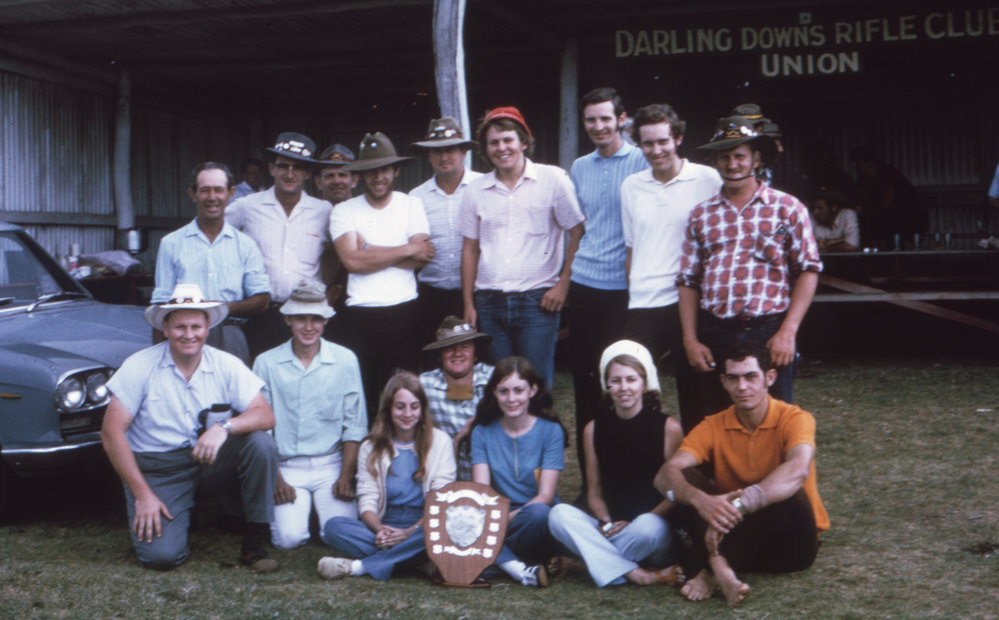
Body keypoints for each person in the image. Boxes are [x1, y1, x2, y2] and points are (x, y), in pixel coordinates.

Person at [100, 283, 279, 572]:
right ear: (166, 328)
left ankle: (255, 538)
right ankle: (179, 511)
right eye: (180, 326)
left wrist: (224, 426)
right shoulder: (138, 365)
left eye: (196, 326)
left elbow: (265, 414)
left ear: (208, 327)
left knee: (261, 443)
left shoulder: (225, 363)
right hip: (160, 470)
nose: (189, 334)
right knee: (161, 557)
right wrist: (143, 495)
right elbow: (111, 434)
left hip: (209, 461)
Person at [677, 116, 822, 431]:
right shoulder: (701, 215)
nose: (732, 163)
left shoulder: (787, 208)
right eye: (724, 156)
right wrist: (690, 339)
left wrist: (788, 331)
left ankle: (775, 481)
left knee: (775, 421)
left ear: (757, 159)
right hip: (714, 332)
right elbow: (688, 281)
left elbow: (808, 270)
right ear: (715, 161)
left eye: (739, 155)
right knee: (717, 423)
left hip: (767, 332)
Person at [656, 343, 828, 607]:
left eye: (750, 377)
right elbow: (664, 475)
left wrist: (740, 505)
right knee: (687, 478)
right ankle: (721, 568)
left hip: (791, 547)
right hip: (736, 535)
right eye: (733, 378)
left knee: (790, 491)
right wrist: (700, 500)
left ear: (769, 378)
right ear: (723, 382)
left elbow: (798, 469)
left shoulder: (795, 418)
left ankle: (712, 568)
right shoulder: (713, 425)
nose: (742, 387)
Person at [459, 107, 586, 389]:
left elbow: (578, 233)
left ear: (524, 142)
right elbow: (470, 249)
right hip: (489, 303)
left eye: (508, 140)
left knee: (536, 385)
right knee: (500, 387)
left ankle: (542, 434)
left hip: (537, 302)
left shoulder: (552, 179)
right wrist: (469, 303)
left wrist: (563, 286)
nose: (501, 148)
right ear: (485, 149)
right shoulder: (475, 190)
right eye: (493, 142)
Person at [547, 340, 684, 588]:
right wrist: (607, 523)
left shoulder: (668, 427)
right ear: (606, 385)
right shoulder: (593, 429)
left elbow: (676, 495)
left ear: (644, 383)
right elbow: (594, 492)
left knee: (648, 528)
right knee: (558, 514)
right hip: (609, 529)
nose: (624, 388)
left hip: (650, 530)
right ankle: (638, 575)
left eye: (631, 379)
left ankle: (584, 563)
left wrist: (635, 523)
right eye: (616, 381)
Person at [620, 103, 722, 433]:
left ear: (677, 138)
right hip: (644, 302)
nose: (656, 150)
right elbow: (632, 248)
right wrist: (631, 293)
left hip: (689, 300)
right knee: (635, 390)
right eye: (647, 143)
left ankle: (697, 468)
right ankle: (645, 461)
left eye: (662, 141)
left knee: (696, 390)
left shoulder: (708, 179)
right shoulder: (631, 187)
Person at [567, 88, 648, 483]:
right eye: (590, 120)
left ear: (622, 118)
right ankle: (591, 484)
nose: (598, 127)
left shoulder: (642, 160)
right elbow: (579, 228)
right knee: (587, 389)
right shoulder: (579, 167)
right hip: (585, 286)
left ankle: (632, 480)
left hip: (627, 291)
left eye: (605, 118)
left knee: (626, 385)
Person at [252, 280, 367, 550]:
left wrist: (345, 475)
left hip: (330, 464)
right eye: (301, 318)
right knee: (288, 539)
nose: (308, 326)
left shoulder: (345, 359)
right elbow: (261, 428)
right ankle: (301, 517)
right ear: (287, 319)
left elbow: (355, 423)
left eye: (316, 318)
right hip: (287, 465)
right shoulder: (266, 362)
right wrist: (275, 479)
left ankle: (323, 516)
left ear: (326, 321)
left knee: (338, 536)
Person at [329, 131, 432, 421]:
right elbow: (352, 262)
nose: (378, 177)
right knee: (363, 396)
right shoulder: (344, 210)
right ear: (360, 175)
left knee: (405, 397)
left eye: (385, 169)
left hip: (406, 313)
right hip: (361, 315)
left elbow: (422, 256)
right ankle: (366, 458)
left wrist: (369, 248)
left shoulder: (411, 204)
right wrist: (406, 248)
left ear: (396, 170)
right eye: (371, 171)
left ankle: (406, 458)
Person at [317, 372, 456, 581]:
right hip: (384, 525)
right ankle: (417, 560)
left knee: (444, 530)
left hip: (423, 524)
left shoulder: (441, 442)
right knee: (333, 527)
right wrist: (380, 530)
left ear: (422, 409)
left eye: (414, 406)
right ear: (389, 409)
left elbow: (441, 500)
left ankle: (358, 566)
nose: (407, 413)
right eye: (400, 406)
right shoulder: (368, 447)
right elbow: (366, 496)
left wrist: (409, 533)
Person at [226, 132, 333, 359]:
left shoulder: (323, 211)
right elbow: (212, 235)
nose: (290, 173)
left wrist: (336, 289)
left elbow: (344, 251)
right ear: (271, 168)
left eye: (297, 167)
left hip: (308, 316)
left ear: (307, 173)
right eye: (283, 166)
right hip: (263, 315)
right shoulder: (246, 207)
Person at [152, 162, 270, 364]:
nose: (212, 197)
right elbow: (159, 305)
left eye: (218, 190)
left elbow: (262, 300)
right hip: (185, 337)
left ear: (230, 194)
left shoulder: (246, 245)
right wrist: (156, 356)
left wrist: (221, 309)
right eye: (205, 191)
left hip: (231, 333)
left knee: (231, 395)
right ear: (193, 194)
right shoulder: (171, 243)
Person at [469, 356, 566, 587]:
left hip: (532, 515)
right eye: (503, 391)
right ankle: (516, 566)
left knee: (539, 513)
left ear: (532, 390)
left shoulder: (551, 431)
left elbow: (546, 495)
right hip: (496, 513)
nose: (511, 399)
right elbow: (483, 492)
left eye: (518, 390)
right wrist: (495, 518)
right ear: (494, 392)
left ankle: (486, 559)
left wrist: (505, 519)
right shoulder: (481, 432)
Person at [409, 117, 483, 348]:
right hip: (431, 294)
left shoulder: (484, 186)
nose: (443, 157)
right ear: (428, 156)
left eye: (450, 150)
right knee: (434, 358)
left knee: (477, 359)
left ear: (463, 152)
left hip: (479, 292)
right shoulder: (416, 197)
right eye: (436, 151)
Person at [419, 315, 494, 480]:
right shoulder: (424, 384)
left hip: (491, 476)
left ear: (475, 353)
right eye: (449, 347)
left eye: (465, 346)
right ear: (439, 355)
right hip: (442, 477)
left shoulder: (494, 380)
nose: (457, 353)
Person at [850, 145, 926, 248]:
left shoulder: (889, 174)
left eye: (858, 163)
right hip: (884, 217)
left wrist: (868, 210)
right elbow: (860, 200)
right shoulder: (862, 180)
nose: (856, 167)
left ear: (869, 163)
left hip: (908, 216)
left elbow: (887, 206)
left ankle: (897, 260)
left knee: (892, 225)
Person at [810, 187, 860, 252]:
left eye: (820, 208)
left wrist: (825, 246)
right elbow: (811, 246)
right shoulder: (813, 217)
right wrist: (842, 240)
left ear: (834, 208)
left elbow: (852, 245)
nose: (815, 212)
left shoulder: (848, 214)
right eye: (815, 208)